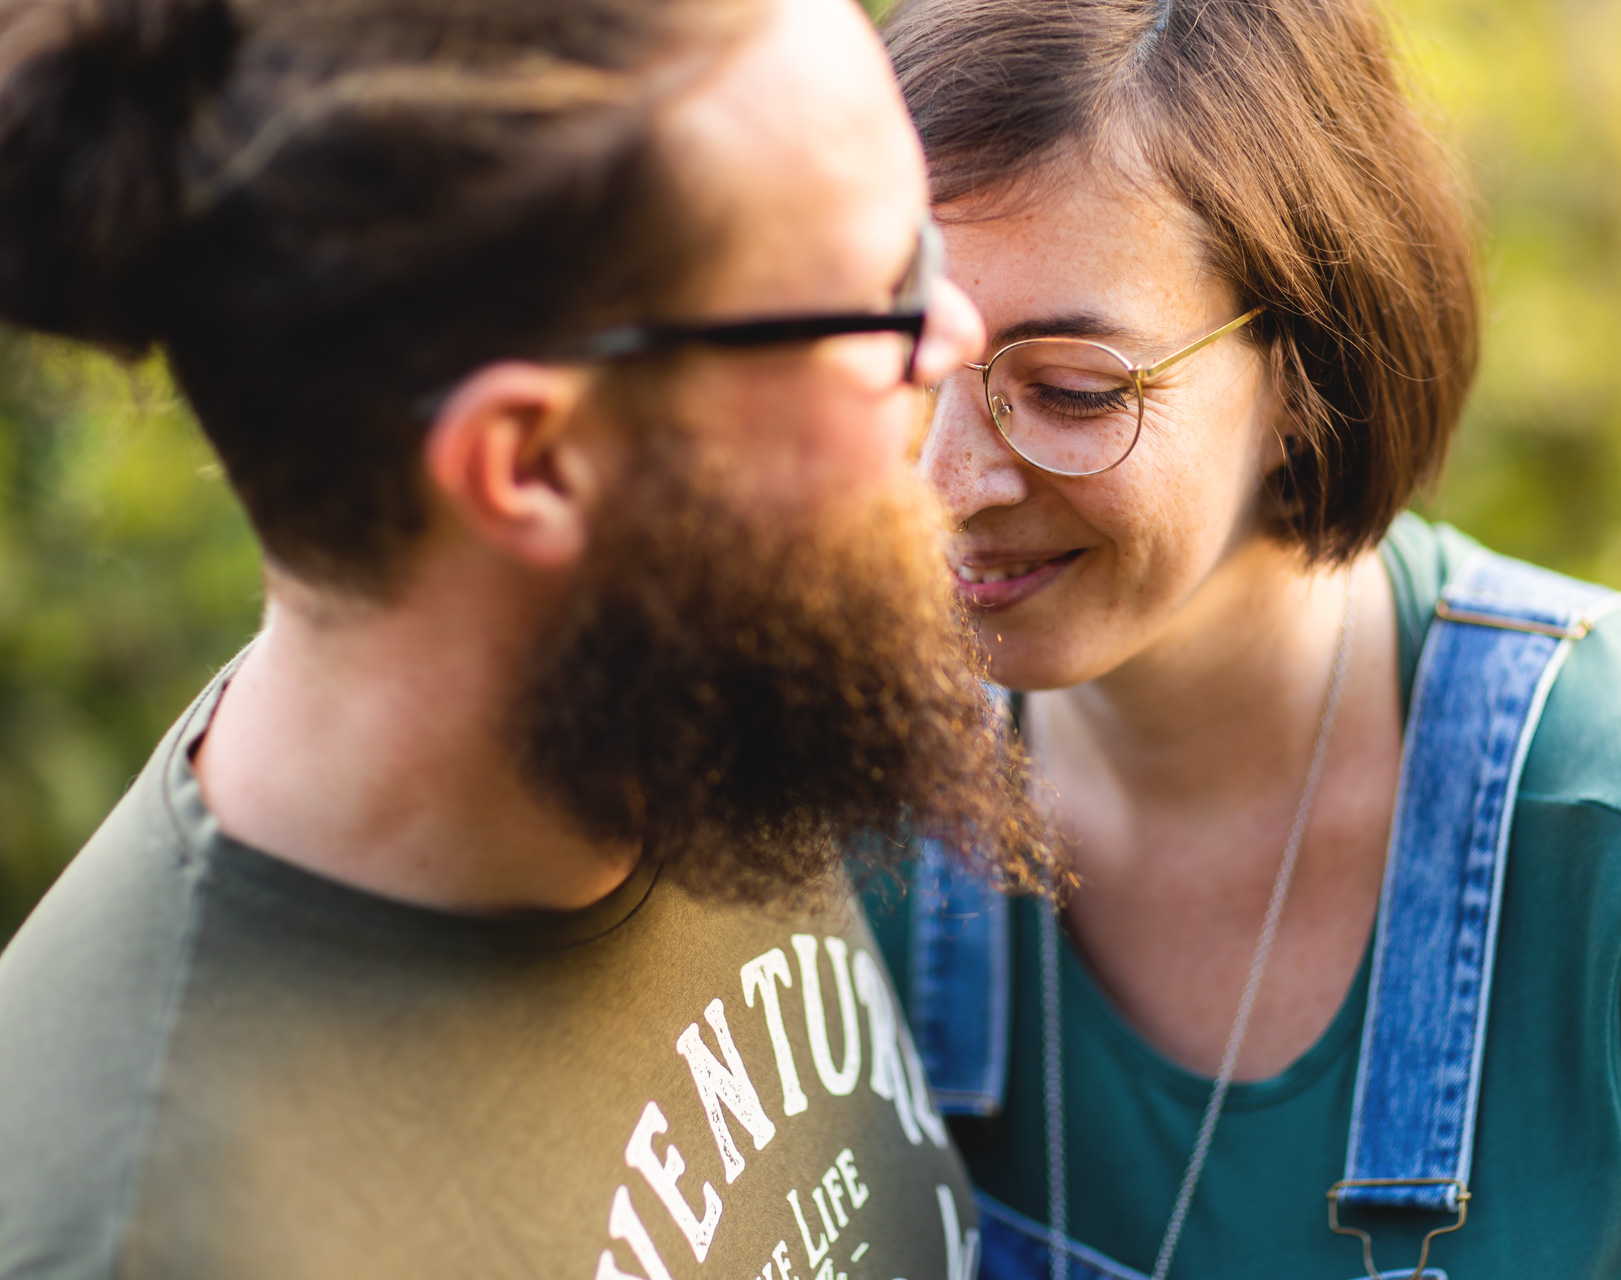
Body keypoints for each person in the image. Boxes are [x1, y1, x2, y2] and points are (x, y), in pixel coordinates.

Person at [862, 1, 1621, 1277]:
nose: (943, 477)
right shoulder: (831, 802)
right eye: (903, 358)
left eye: (1073, 390)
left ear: (1303, 373)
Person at [0, 0, 1048, 1275]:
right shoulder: (158, 1228)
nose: (957, 335)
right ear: (536, 463)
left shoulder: (697, 678)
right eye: (881, 298)